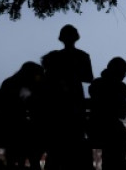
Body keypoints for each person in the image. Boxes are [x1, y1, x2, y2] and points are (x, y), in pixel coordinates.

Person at [41, 24, 94, 170]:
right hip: (75, 101)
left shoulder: (54, 57)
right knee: (76, 139)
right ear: (76, 37)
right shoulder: (83, 56)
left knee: (57, 144)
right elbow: (89, 78)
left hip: (57, 104)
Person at [0, 61, 47, 169]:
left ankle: (17, 162)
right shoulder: (35, 88)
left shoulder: (9, 84)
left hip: (9, 128)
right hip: (19, 129)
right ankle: (33, 163)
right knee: (32, 137)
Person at [88, 57, 126, 170]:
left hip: (93, 128)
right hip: (111, 131)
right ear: (120, 73)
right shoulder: (121, 88)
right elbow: (122, 114)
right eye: (124, 73)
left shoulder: (96, 84)